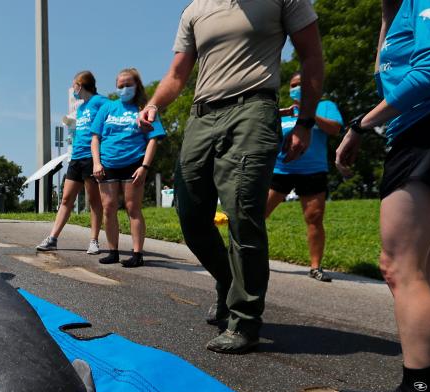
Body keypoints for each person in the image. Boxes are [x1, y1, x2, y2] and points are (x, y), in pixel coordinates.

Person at [139, 0, 324, 354]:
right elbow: (177, 73)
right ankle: (227, 280)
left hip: (253, 109)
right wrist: (153, 105)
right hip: (201, 115)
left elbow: (312, 57)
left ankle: (244, 321)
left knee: (242, 213)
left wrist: (305, 122)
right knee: (191, 215)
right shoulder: (195, 9)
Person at [336, 0, 430, 392]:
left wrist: (361, 124)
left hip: (428, 133)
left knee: (399, 265)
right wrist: (387, 14)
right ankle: (418, 389)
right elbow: (388, 74)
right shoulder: (403, 10)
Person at [266, 72, 344, 282]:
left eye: (301, 83)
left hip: (313, 171)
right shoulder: (285, 110)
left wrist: (308, 114)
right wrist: (282, 113)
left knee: (314, 217)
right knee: (257, 214)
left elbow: (335, 129)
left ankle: (315, 267)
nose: (296, 88)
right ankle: (246, 256)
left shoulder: (325, 105)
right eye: (293, 85)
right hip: (280, 171)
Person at [91, 68, 165, 267]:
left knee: (133, 208)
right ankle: (113, 251)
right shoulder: (107, 108)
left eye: (128, 84)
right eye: (120, 85)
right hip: (108, 165)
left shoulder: (145, 109)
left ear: (137, 86)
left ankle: (137, 253)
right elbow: (95, 137)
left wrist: (144, 166)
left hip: (134, 164)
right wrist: (97, 163)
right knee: (108, 208)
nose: (124, 88)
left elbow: (153, 140)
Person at [36, 71, 105, 255]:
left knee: (94, 201)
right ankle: (52, 238)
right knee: (66, 199)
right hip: (76, 158)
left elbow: (113, 115)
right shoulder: (81, 108)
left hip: (92, 158)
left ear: (80, 85)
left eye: (74, 85)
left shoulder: (100, 102)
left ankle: (94, 241)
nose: (73, 88)